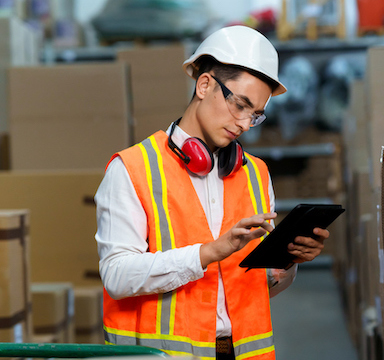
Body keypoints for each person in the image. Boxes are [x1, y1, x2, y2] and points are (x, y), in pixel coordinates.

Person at [94, 25, 330, 360]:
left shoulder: (255, 175)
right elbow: (116, 275)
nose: (245, 124)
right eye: (240, 105)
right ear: (204, 84)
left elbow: (256, 287)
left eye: (256, 114)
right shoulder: (132, 170)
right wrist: (206, 253)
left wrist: (287, 263)